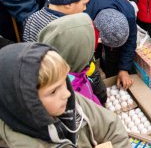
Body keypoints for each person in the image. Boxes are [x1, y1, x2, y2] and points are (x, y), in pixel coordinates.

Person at [0, 42, 130, 147]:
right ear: (24, 104)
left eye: (64, 82)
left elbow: (112, 127)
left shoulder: (71, 102)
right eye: (53, 91)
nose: (67, 93)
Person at [38, 13, 107, 105]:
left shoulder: (78, 70)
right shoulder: (66, 93)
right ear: (77, 53)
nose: (92, 53)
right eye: (90, 49)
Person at [85, 0, 137, 89]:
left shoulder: (128, 12)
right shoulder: (84, 14)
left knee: (114, 56)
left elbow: (131, 40)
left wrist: (124, 68)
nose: (112, 48)